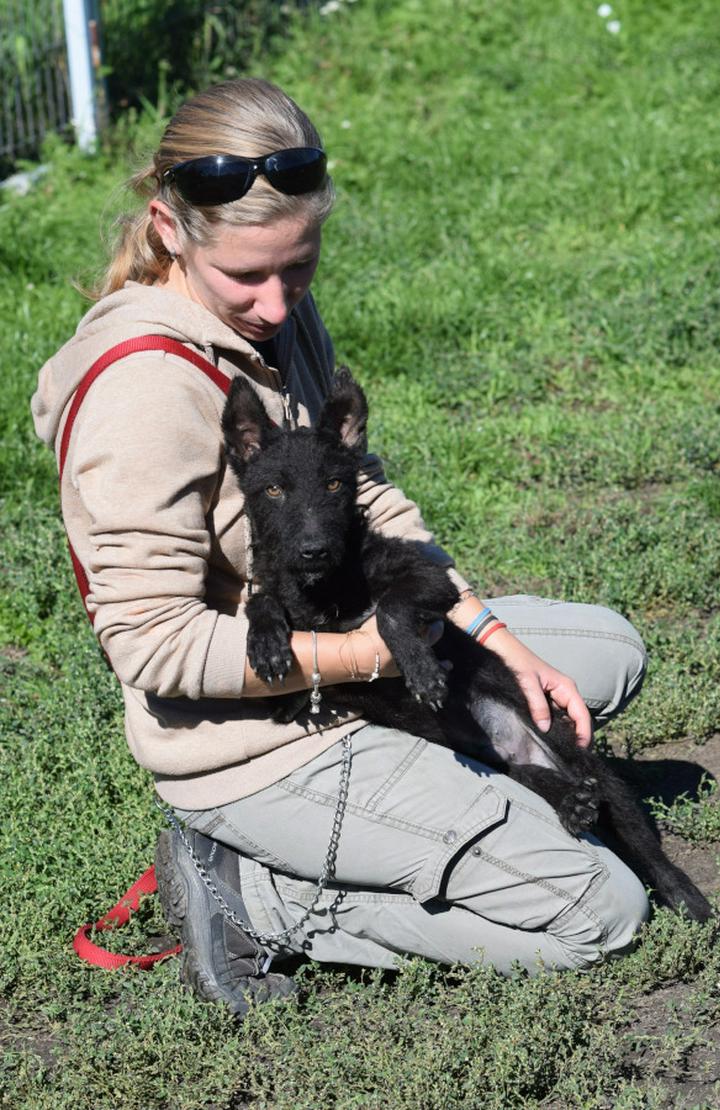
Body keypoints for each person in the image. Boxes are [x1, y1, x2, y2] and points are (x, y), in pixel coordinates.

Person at [32, 78, 650, 1015]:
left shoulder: (268, 318)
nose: (280, 306)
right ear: (168, 229)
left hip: (357, 645)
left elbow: (367, 492)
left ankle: (449, 785)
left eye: (300, 270)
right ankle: (261, 894)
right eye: (249, 277)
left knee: (605, 655)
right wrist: (369, 653)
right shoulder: (145, 394)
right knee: (600, 910)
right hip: (255, 739)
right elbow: (151, 646)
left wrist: (489, 631)